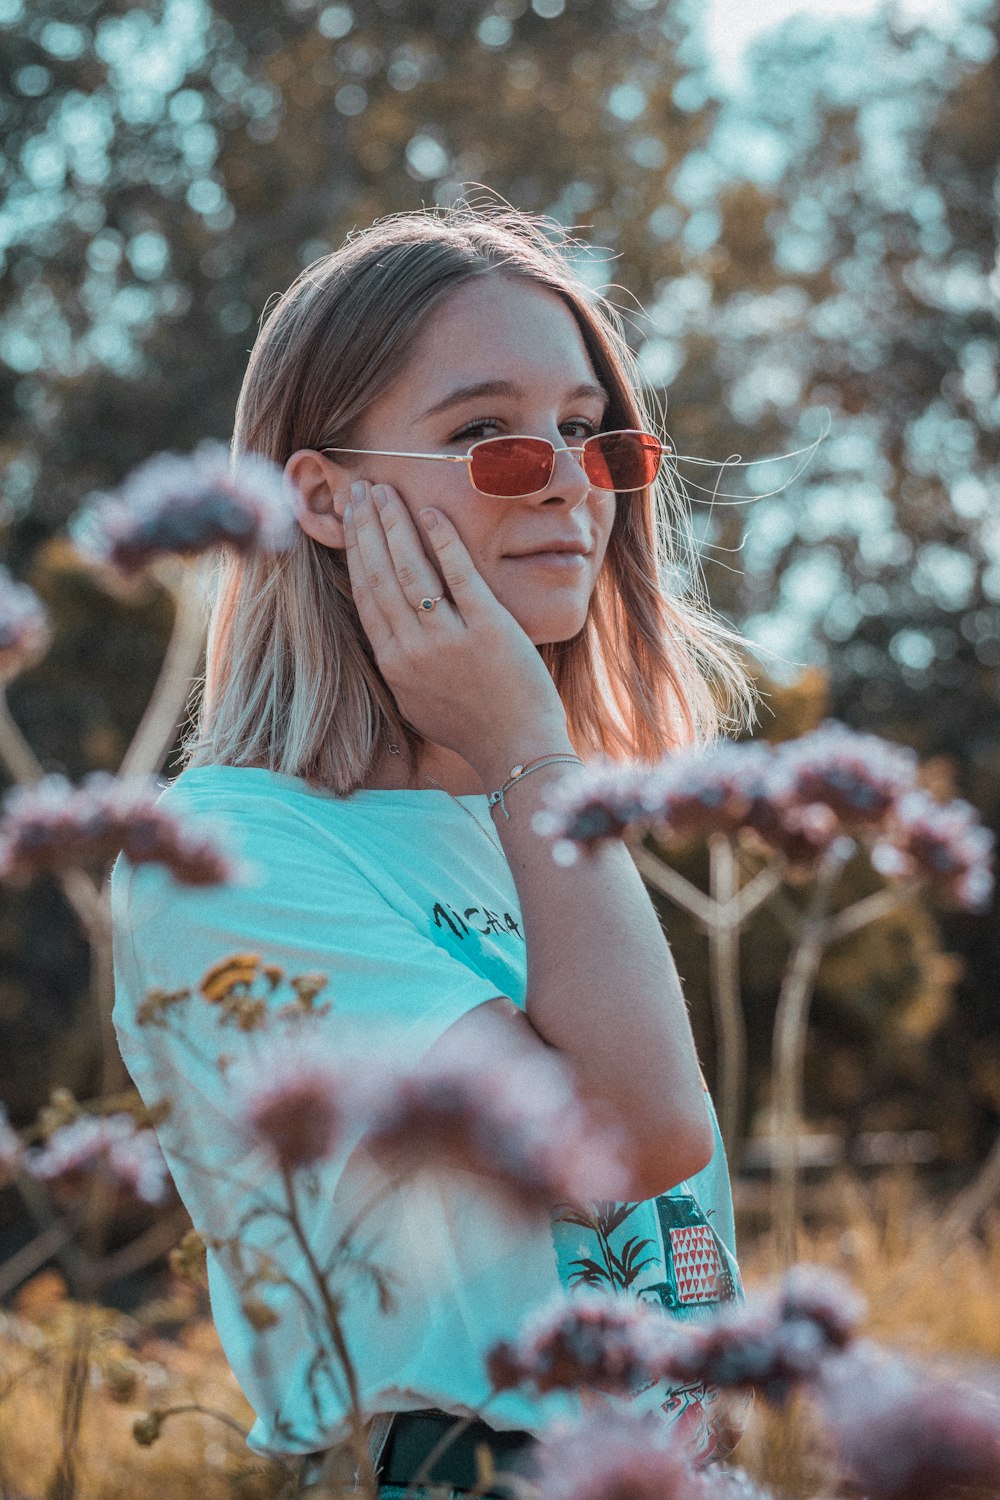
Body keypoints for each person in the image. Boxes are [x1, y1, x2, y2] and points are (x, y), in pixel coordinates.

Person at [111, 202, 757, 1498]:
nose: (569, 478)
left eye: (588, 432)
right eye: (487, 437)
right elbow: (631, 1138)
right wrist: (533, 752)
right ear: (325, 500)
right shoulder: (230, 854)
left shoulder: (520, 828)